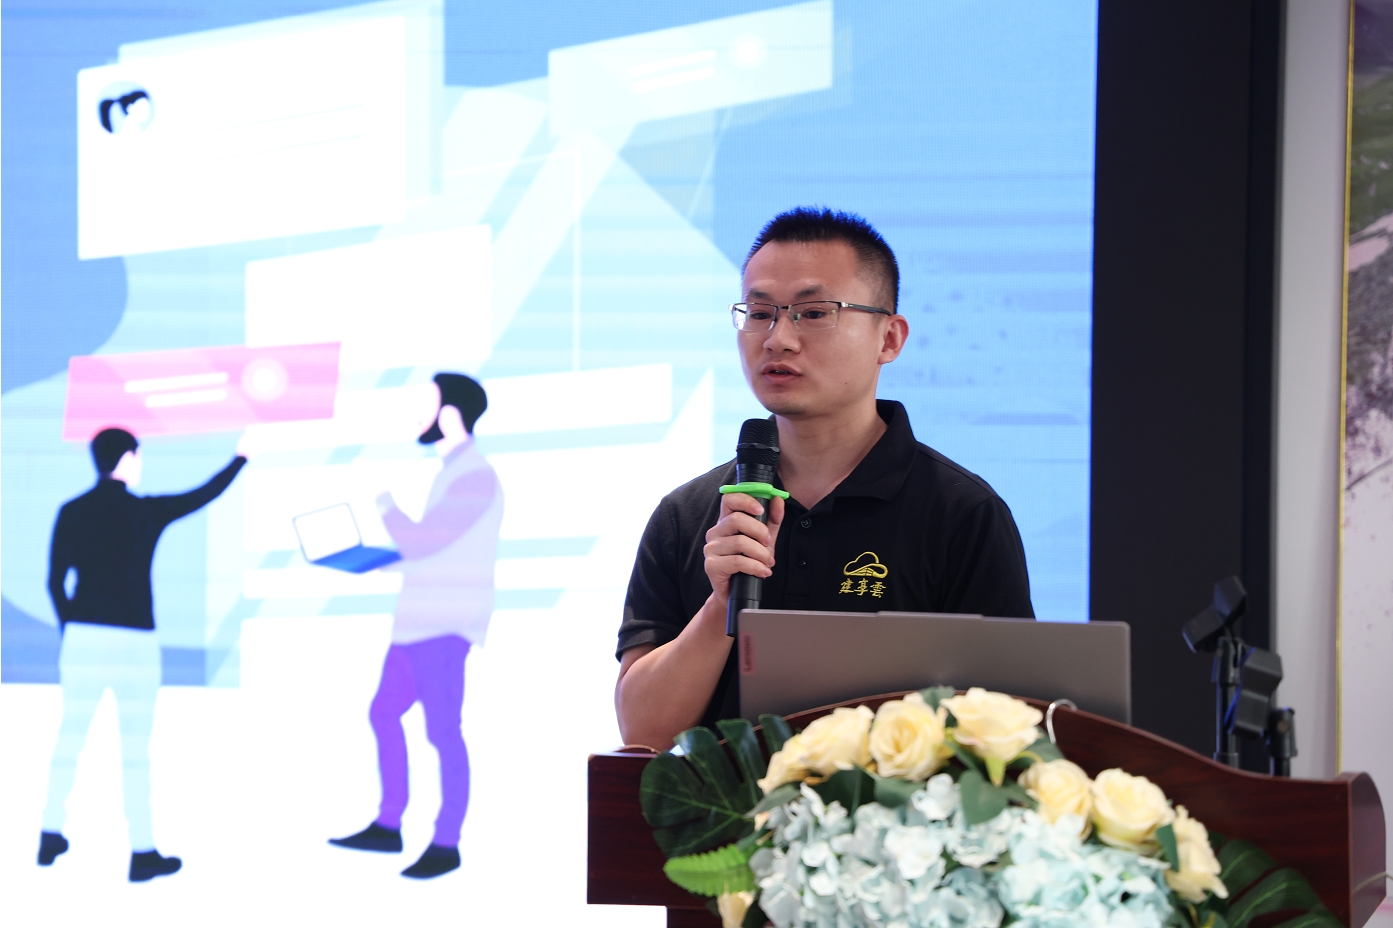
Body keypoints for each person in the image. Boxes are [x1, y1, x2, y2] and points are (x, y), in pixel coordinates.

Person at [615, 207, 1034, 749]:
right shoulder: (689, 515)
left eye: (813, 313)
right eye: (759, 313)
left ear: (889, 339)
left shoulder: (961, 513)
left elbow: (1010, 727)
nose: (778, 339)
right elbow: (643, 733)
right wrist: (722, 602)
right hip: (725, 808)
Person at [40, 427, 248, 881]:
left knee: (69, 737)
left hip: (83, 638)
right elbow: (202, 495)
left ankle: (49, 832)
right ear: (128, 459)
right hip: (135, 642)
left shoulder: (72, 510)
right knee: (135, 749)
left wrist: (73, 628)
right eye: (138, 456)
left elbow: (54, 582)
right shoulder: (145, 511)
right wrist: (240, 459)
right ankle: (142, 850)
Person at [329, 373, 503, 880]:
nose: (418, 416)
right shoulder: (453, 472)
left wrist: (383, 501)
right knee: (383, 713)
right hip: (416, 623)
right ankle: (389, 824)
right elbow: (434, 551)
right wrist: (374, 562)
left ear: (450, 413)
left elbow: (425, 541)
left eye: (426, 404)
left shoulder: (475, 476)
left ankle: (446, 843)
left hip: (443, 627)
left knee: (443, 731)